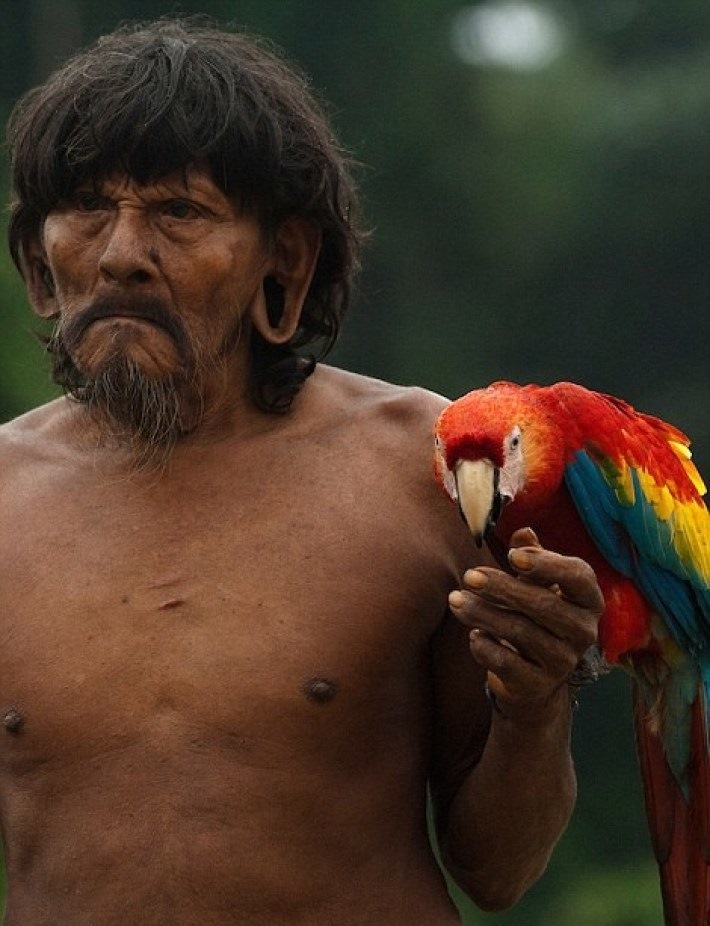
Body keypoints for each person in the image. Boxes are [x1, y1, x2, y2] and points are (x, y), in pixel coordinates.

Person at [1, 19, 603, 926]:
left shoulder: (432, 467)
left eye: (179, 211)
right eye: (86, 206)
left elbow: (498, 873)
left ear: (285, 260)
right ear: (37, 265)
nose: (122, 252)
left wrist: (534, 702)